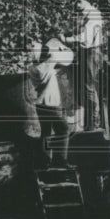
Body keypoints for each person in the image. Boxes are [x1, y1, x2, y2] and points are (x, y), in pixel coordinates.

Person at [27, 37, 75, 168]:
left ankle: (45, 161)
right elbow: (69, 56)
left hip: (40, 104)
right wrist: (58, 44)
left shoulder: (32, 68)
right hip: (52, 103)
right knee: (64, 129)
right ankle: (61, 160)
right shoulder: (48, 63)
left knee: (46, 131)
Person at [64, 0, 105, 132]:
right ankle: (91, 121)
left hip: (91, 52)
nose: (76, 5)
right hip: (88, 52)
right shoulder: (86, 14)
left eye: (78, 2)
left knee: (89, 87)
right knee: (88, 87)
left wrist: (67, 39)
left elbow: (85, 37)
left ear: (84, 1)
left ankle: (93, 122)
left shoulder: (92, 15)